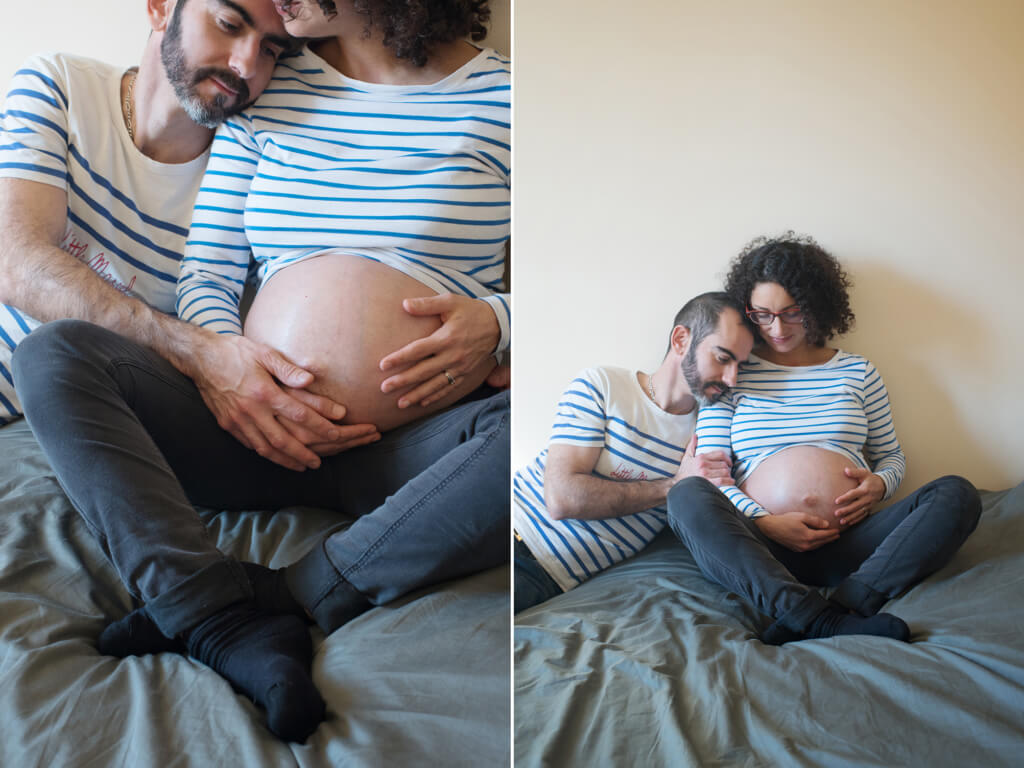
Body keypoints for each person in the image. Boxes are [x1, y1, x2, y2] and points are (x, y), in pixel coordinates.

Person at [12, 0, 509, 743]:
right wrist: (234, 376)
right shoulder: (273, 91)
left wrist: (502, 320)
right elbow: (206, 273)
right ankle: (210, 614)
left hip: (404, 453)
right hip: (242, 428)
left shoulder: (506, 102)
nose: (269, 29)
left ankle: (298, 589)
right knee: (53, 353)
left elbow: (569, 275)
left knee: (535, 424)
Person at [0, 0, 375, 467]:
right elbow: (15, 263)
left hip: (78, 416)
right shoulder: (61, 84)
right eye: (228, 24)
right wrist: (195, 350)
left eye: (271, 50)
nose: (245, 65)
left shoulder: (255, 190)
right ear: (159, 8)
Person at [667, 234, 982, 645]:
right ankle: (812, 614)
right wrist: (766, 521)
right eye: (761, 314)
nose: (776, 328)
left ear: (815, 304)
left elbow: (891, 456)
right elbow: (713, 476)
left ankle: (846, 604)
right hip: (764, 549)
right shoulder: (734, 373)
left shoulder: (858, 372)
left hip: (850, 546)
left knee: (957, 493)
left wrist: (880, 484)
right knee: (686, 495)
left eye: (791, 312)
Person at [513, 292, 755, 613]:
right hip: (511, 529)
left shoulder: (705, 437)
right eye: (723, 358)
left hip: (547, 576)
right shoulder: (603, 385)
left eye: (740, 365)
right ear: (681, 340)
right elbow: (561, 498)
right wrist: (673, 487)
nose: (731, 378)